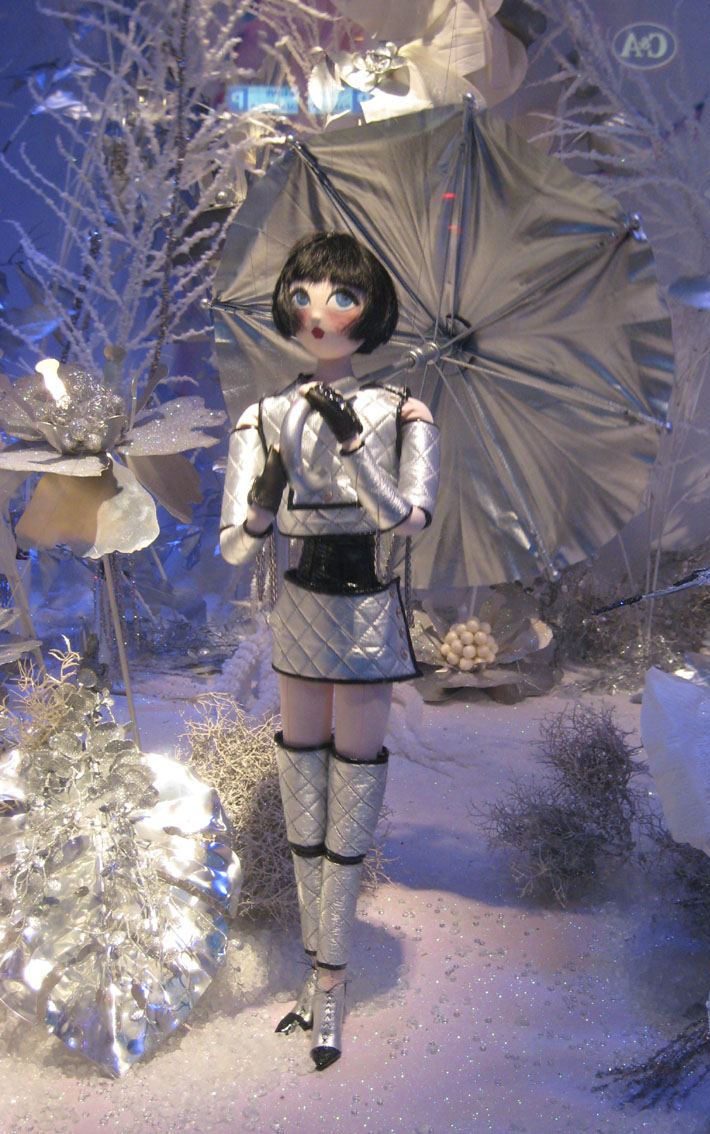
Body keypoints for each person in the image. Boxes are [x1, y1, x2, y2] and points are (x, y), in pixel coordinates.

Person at [219, 231, 440, 1069]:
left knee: (351, 805)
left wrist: (354, 447)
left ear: (371, 310)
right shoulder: (263, 415)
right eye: (304, 294)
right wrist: (263, 502)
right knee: (302, 803)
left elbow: (409, 519)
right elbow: (236, 545)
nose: (320, 311)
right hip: (300, 610)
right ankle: (318, 973)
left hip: (370, 612)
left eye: (343, 296)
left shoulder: (404, 411)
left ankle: (334, 981)